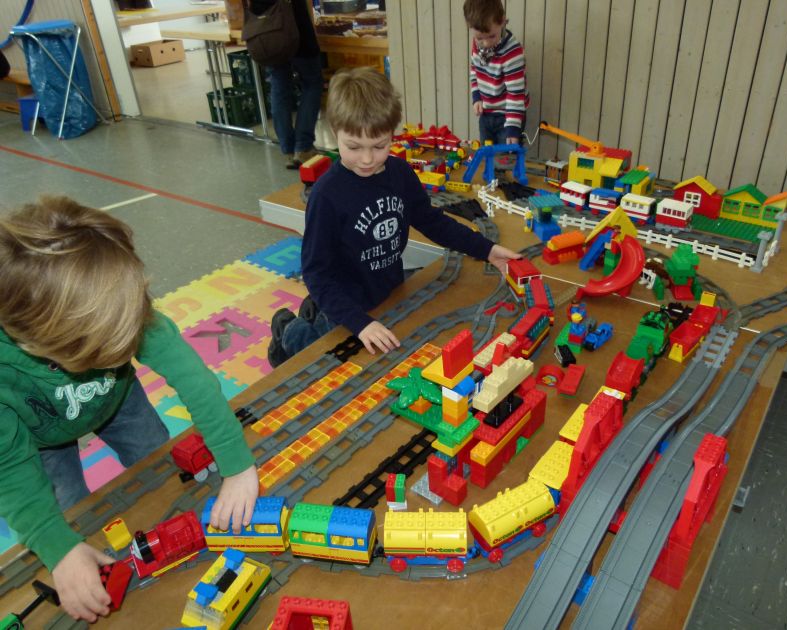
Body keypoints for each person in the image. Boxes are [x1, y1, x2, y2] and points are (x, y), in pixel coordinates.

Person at [0, 198, 259, 623]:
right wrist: (58, 549)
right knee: (71, 514)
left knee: (159, 462)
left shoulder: (114, 302)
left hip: (117, 400)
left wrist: (237, 465)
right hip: (40, 436)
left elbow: (193, 378)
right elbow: (11, 469)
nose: (130, 346)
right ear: (38, 344)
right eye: (109, 351)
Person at [267, 67, 521, 366]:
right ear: (335, 133)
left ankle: (313, 310)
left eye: (379, 146)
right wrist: (360, 323)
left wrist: (486, 249)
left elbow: (432, 221)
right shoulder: (326, 196)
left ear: (392, 134)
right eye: (354, 147)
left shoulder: (399, 174)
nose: (367, 159)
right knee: (312, 353)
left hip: (387, 290)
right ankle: (286, 328)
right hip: (345, 307)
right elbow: (316, 273)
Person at [249, 0, 323, 169]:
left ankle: (288, 150)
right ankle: (303, 146)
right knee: (312, 83)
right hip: (295, 25)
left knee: (279, 85)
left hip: (266, 30)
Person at [463, 0, 529, 146]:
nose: (486, 43)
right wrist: (476, 96)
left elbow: (515, 93)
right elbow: (474, 69)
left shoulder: (512, 52)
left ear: (502, 21)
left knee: (505, 157)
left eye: (492, 36)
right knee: (487, 155)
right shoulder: (477, 45)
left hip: (508, 116)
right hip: (486, 114)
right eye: (480, 38)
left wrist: (513, 128)